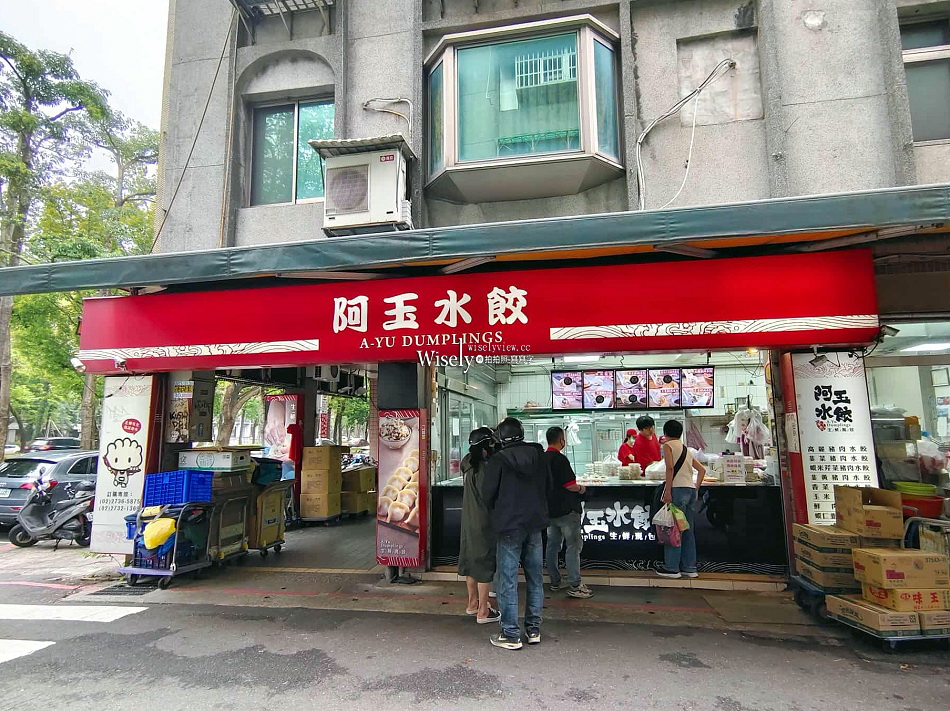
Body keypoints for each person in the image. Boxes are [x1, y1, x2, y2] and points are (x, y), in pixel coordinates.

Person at [482, 416, 551, 650]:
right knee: (535, 577)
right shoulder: (539, 456)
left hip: (509, 525)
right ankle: (533, 629)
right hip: (534, 524)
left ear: (501, 438)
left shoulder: (498, 460)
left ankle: (510, 633)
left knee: (508, 579)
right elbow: (548, 487)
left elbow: (487, 494)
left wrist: (499, 510)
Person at [544, 426, 593, 599]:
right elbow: (569, 485)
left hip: (549, 512)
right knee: (573, 547)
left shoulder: (542, 458)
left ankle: (555, 581)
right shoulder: (560, 459)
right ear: (561, 440)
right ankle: (575, 584)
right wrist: (582, 489)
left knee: (552, 546)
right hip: (567, 511)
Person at [459, 427, 501, 624]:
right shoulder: (485, 468)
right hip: (484, 521)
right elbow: (489, 495)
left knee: (470, 563)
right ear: (487, 445)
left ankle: (472, 604)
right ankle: (483, 611)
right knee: (484, 565)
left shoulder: (467, 462)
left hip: (468, 520)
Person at [657, 419, 706, 579]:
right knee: (687, 530)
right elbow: (701, 470)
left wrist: (668, 490)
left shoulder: (668, 446)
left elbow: (670, 468)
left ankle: (672, 568)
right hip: (690, 490)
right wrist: (696, 488)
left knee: (673, 529)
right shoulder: (685, 448)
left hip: (677, 491)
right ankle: (690, 568)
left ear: (665, 433)